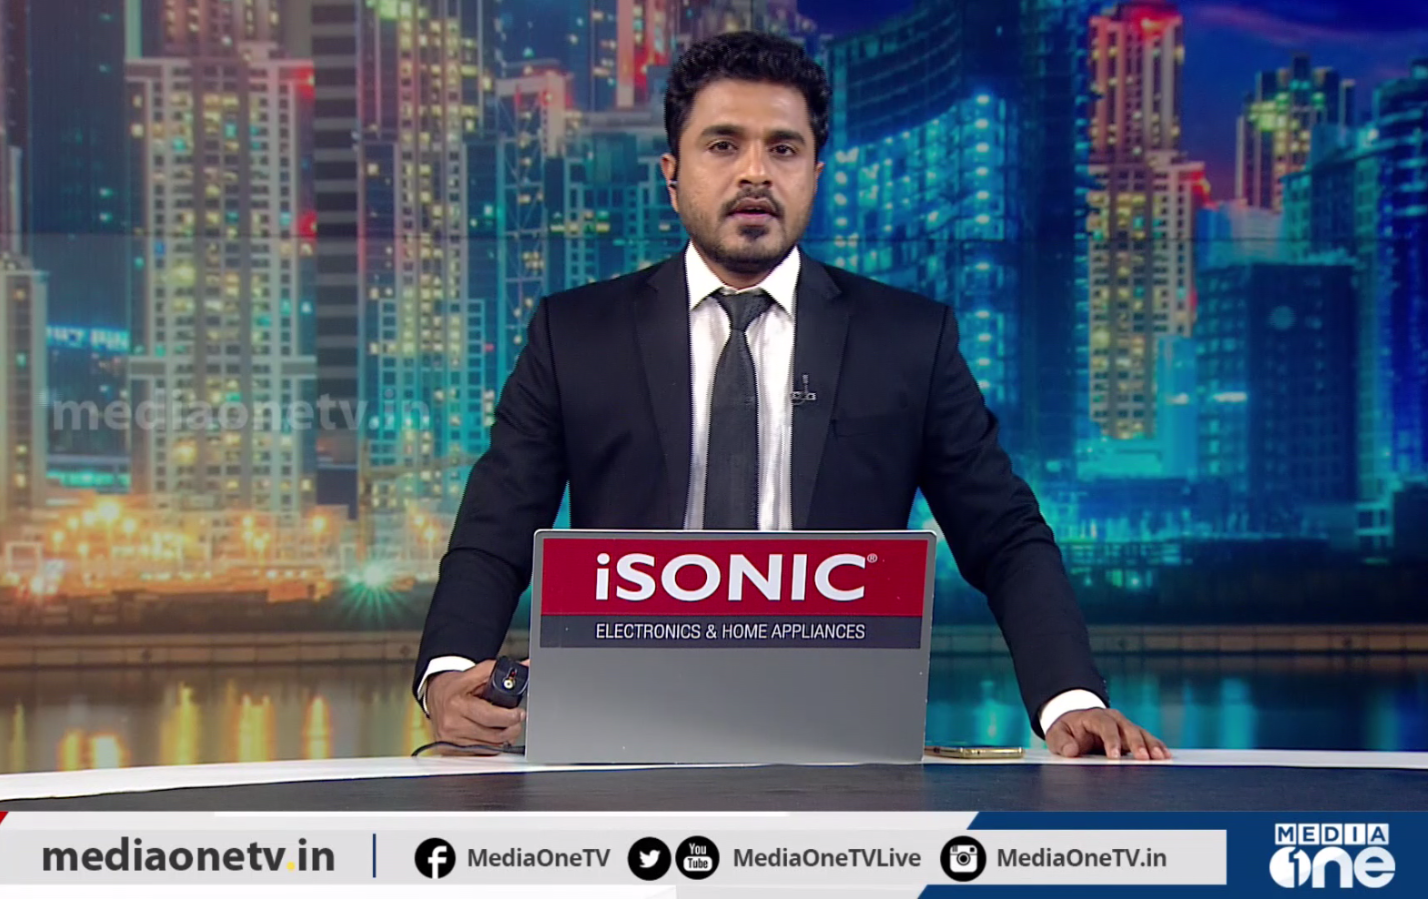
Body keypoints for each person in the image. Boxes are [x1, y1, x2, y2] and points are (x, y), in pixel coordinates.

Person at [415, 31, 1169, 762]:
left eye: (783, 149)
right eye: (723, 145)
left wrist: (1070, 700)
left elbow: (1003, 534)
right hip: (618, 739)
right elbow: (497, 525)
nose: (755, 173)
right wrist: (449, 673)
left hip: (840, 745)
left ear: (815, 173)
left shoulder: (908, 339)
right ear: (671, 174)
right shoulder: (575, 334)